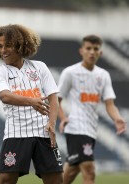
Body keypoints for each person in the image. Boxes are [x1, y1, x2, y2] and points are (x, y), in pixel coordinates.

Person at [0, 24, 63, 184]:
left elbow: (53, 98)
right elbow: (4, 96)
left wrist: (52, 123)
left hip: (43, 133)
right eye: (0, 46)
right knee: (5, 179)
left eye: (8, 45)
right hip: (16, 133)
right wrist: (31, 101)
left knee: (56, 180)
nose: (3, 50)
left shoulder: (40, 67)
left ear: (21, 44)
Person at [57, 35, 127, 184]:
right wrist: (63, 118)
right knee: (89, 169)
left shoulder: (103, 75)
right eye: (88, 48)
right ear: (81, 51)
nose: (92, 52)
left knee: (72, 170)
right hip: (76, 127)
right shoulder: (70, 72)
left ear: (100, 53)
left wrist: (117, 118)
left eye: (96, 49)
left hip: (91, 129)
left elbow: (110, 104)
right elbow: (56, 100)